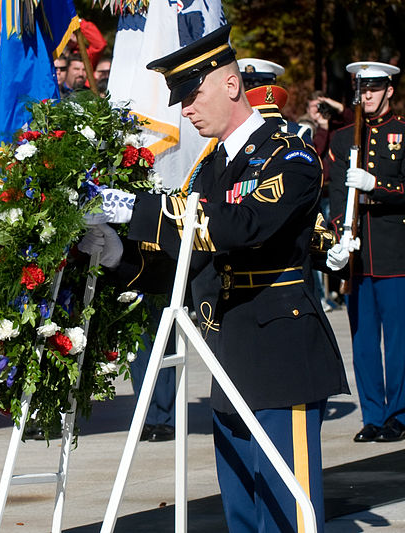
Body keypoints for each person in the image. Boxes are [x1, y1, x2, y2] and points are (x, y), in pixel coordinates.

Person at [86, 25, 348, 532]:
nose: (184, 108)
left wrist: (133, 208)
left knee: (286, 513)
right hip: (226, 358)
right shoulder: (210, 169)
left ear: (231, 86)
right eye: (179, 99)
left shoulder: (288, 153)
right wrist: (118, 254)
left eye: (192, 94)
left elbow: (239, 227)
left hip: (278, 358)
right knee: (243, 516)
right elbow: (188, 264)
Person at [328, 61, 405, 444]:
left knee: (398, 341)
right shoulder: (344, 139)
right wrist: (338, 237)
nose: (369, 96)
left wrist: (377, 185)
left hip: (395, 253)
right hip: (358, 254)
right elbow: (334, 195)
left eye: (375, 88)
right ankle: (373, 415)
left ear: (389, 90)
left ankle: (399, 415)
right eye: (363, 89)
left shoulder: (403, 134)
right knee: (362, 343)